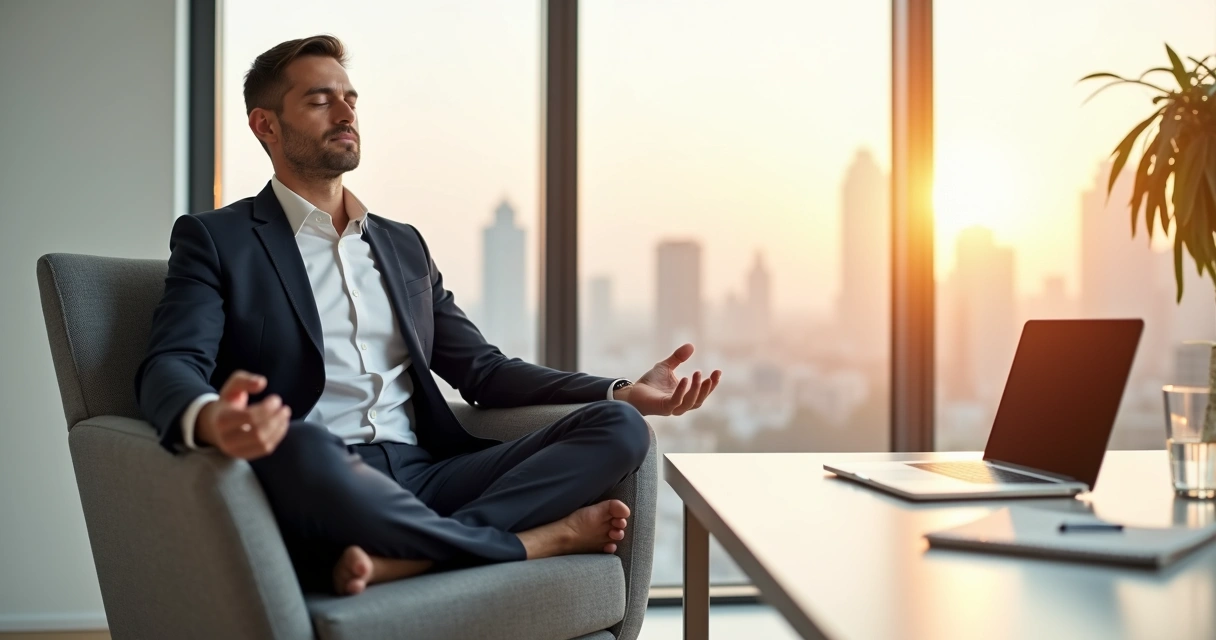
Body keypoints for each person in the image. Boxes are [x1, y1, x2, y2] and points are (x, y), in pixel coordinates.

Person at [134, 34, 722, 596]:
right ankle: (534, 542)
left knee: (620, 428)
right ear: (266, 125)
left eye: (350, 98)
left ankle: (411, 557)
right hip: (324, 473)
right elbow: (170, 365)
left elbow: (484, 372)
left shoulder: (402, 245)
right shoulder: (219, 240)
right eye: (319, 100)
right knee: (299, 443)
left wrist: (622, 391)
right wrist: (213, 418)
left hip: (428, 473)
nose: (346, 113)